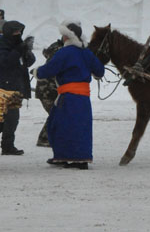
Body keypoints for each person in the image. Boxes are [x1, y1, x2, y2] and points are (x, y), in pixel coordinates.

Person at [36, 21, 105, 169]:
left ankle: (69, 157)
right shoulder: (87, 52)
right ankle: (78, 158)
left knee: (60, 125)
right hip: (83, 97)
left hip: (68, 97)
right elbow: (100, 71)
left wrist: (36, 72)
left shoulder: (64, 52)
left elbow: (49, 69)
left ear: (67, 37)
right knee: (81, 127)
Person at [0, 20, 36, 155]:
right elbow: (5, 62)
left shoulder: (18, 44)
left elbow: (29, 62)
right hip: (3, 88)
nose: (18, 34)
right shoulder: (2, 44)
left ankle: (8, 146)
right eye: (15, 31)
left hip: (15, 88)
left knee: (12, 119)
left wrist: (27, 51)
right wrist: (19, 50)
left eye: (19, 32)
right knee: (2, 120)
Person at [35, 38, 64, 147]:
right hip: (47, 89)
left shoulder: (56, 47)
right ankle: (44, 139)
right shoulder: (59, 49)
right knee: (56, 114)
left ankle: (48, 138)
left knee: (56, 114)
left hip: (48, 88)